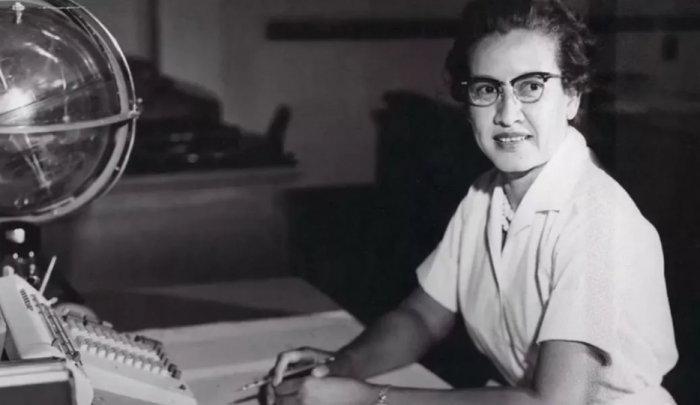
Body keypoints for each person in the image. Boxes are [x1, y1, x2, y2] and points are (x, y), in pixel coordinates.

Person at [266, 0, 679, 404]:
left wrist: (370, 399)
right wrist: (341, 366)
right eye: (487, 89)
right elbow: (422, 318)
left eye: (531, 86)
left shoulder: (599, 224)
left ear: (571, 96)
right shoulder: (485, 195)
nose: (507, 113)